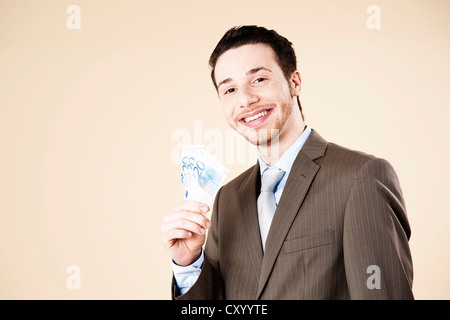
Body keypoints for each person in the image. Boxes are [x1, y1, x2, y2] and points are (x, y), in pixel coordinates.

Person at [161, 25, 414, 299]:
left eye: (258, 80)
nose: (245, 99)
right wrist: (188, 263)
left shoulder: (360, 177)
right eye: (230, 89)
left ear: (295, 82)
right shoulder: (227, 200)